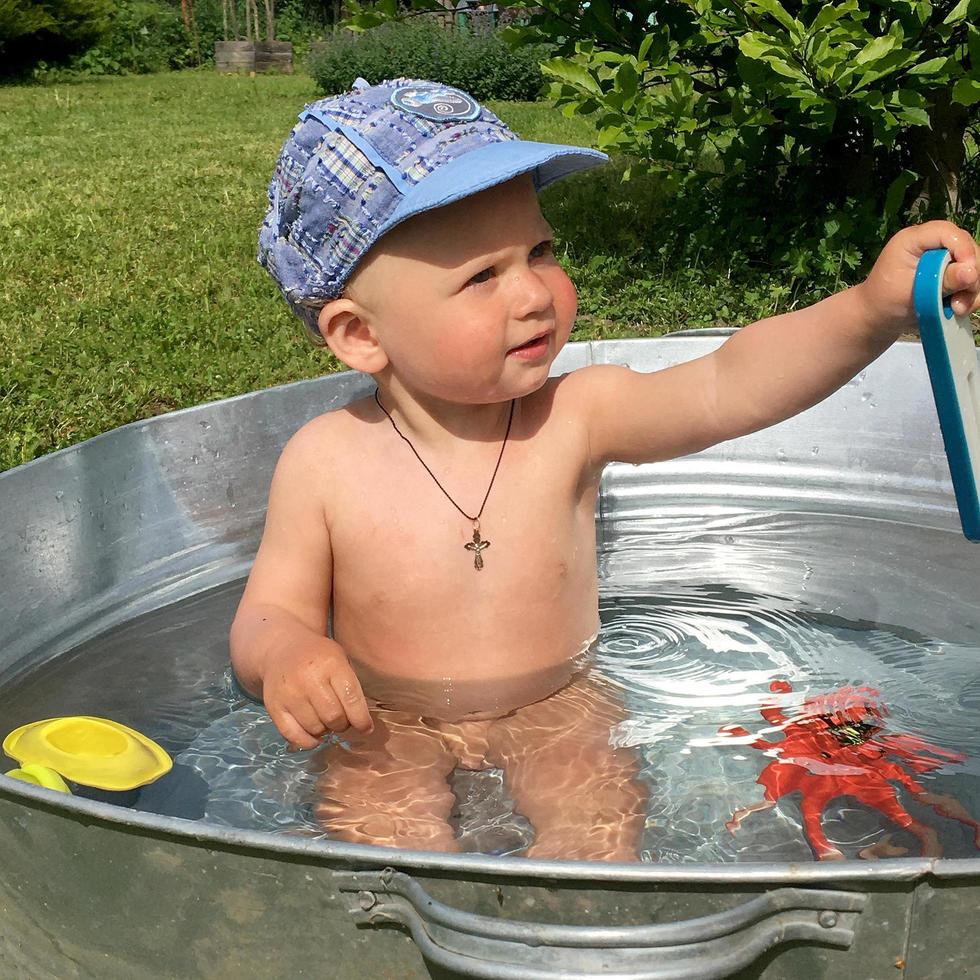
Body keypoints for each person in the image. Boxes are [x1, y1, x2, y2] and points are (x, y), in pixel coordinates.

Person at [230, 77, 980, 859]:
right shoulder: (324, 461)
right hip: (387, 725)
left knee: (596, 839)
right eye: (481, 277)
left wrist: (868, 309)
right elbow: (265, 614)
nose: (533, 293)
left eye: (540, 250)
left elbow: (730, 384)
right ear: (358, 335)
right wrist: (286, 654)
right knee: (378, 851)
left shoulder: (575, 418)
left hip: (561, 712)